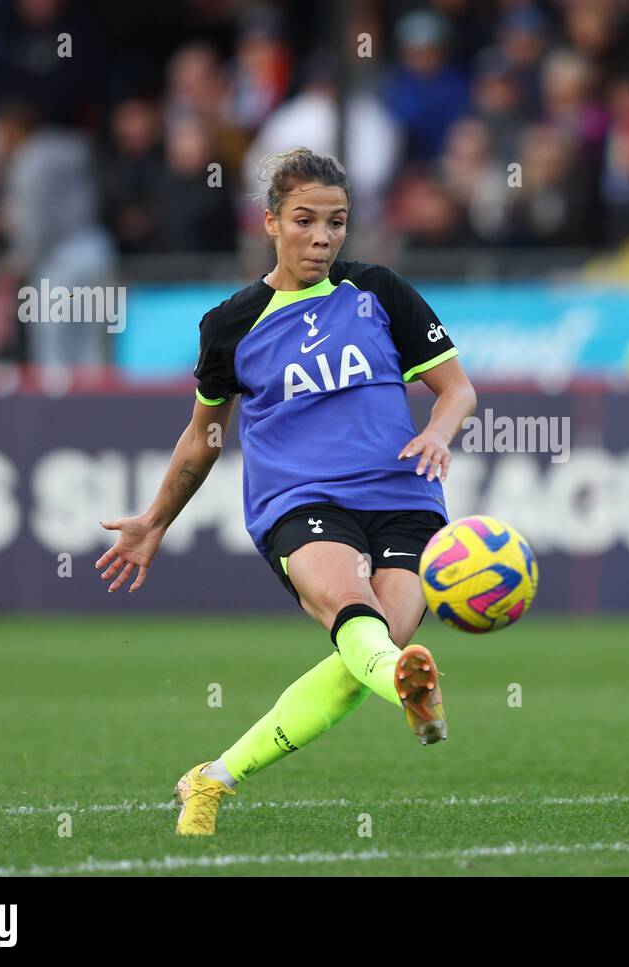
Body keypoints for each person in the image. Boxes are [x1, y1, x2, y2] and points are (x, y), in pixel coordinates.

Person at [95, 147, 477, 832]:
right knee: (351, 609)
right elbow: (203, 436)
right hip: (300, 500)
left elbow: (457, 389)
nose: (323, 237)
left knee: (371, 649)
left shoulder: (379, 292)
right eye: (305, 220)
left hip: (405, 496)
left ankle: (212, 778)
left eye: (337, 222)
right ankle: (409, 690)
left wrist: (441, 432)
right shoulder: (232, 324)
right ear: (270, 222)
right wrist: (155, 518)